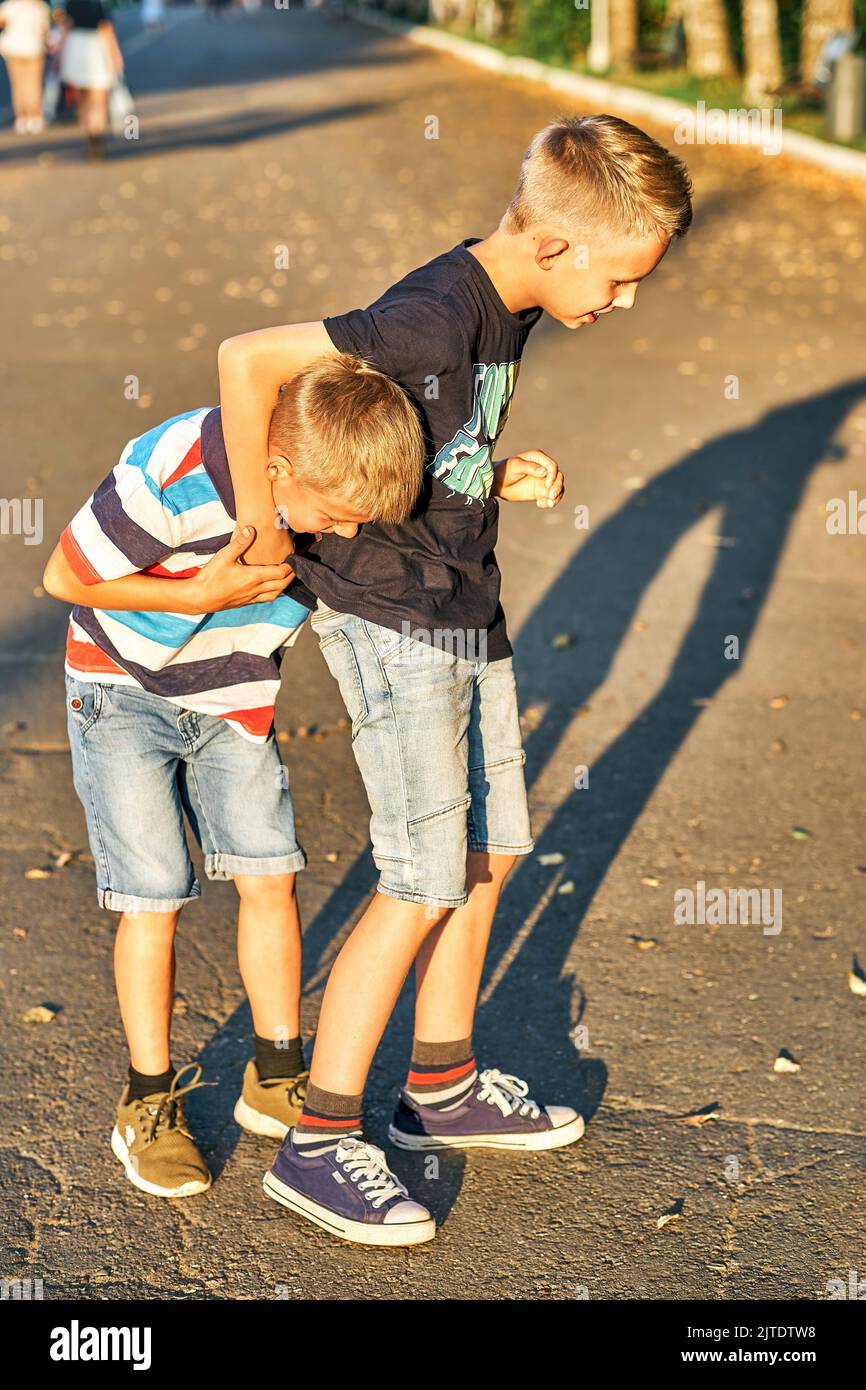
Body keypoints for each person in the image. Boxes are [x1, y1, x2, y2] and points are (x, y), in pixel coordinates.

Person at [215, 114, 693, 1246]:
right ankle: (318, 1139)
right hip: (393, 621)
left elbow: (432, 437)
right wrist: (256, 516)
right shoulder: (429, 316)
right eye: (621, 281)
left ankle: (442, 1081)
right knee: (421, 875)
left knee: (494, 848)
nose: (622, 304)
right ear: (559, 246)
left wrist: (488, 473)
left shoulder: (511, 305)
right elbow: (250, 359)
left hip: (462, 598)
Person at [41, 354, 425, 1200]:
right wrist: (197, 596)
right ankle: (147, 1102)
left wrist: (501, 476)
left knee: (270, 873)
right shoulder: (173, 473)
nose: (348, 534)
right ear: (278, 470)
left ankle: (275, 1074)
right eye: (334, 517)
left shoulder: (336, 478)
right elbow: (64, 576)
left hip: (235, 698)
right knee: (154, 893)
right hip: (120, 685)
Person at [57, 0, 123, 159]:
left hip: (75, 48)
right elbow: (106, 30)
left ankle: (87, 131)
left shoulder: (70, 4)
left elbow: (65, 29)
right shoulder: (98, 4)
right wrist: (115, 55)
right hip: (96, 49)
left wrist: (60, 55)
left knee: (82, 98)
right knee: (98, 97)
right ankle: (96, 132)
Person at [0, 0, 52, 133]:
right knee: (34, 84)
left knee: (18, 85)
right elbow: (44, 30)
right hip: (34, 48)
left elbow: (2, 22)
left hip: (14, 49)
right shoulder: (41, 7)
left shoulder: (9, 6)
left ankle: (22, 118)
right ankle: (34, 117)